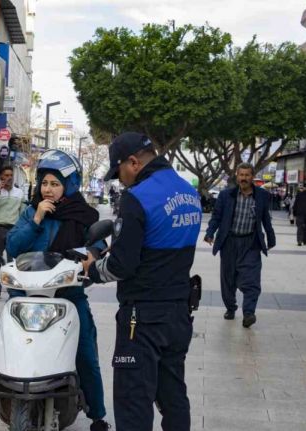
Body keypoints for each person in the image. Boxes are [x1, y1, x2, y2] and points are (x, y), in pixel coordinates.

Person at [0, 150, 110, 431]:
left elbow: (96, 246)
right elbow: (14, 246)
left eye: (55, 184)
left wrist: (91, 258)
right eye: (44, 183)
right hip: (25, 295)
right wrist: (36, 219)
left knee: (85, 351)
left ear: (69, 186)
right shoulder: (29, 211)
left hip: (66, 295)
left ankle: (98, 415)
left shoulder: (84, 215)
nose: (48, 189)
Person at [82, 132, 201, 431]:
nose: (120, 181)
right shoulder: (188, 192)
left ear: (133, 162)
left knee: (133, 400)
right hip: (178, 313)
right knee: (173, 395)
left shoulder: (137, 198)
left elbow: (123, 265)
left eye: (119, 172)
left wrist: (92, 270)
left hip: (143, 318)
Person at [204, 163, 276, 328]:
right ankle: (230, 307)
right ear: (237, 176)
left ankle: (249, 313)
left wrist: (271, 238)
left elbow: (266, 219)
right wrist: (209, 233)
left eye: (247, 175)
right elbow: (216, 216)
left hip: (251, 243)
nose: (244, 178)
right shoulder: (225, 195)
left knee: (251, 279)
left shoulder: (262, 196)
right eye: (241, 175)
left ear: (252, 177)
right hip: (229, 242)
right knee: (228, 280)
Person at [0, 165, 26, 299]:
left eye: (10, 175)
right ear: (1, 177)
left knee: (12, 262)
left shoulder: (19, 193)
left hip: (13, 230)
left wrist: (21, 229)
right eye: (6, 175)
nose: (9, 178)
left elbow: (22, 213)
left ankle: (13, 290)